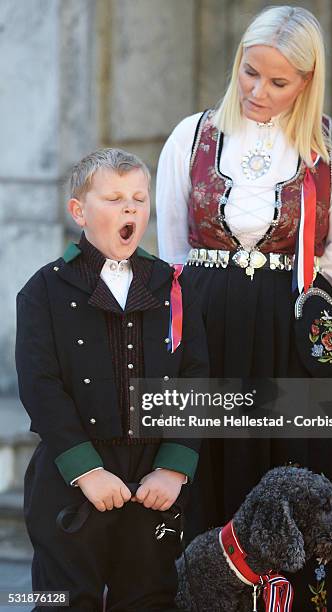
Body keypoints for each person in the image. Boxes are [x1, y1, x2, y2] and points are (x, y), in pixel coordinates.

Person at [156, 5, 332, 610]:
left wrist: (303, 336)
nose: (258, 90)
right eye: (250, 73)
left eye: (279, 82)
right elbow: (174, 249)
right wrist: (202, 319)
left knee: (295, 484)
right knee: (208, 476)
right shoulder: (190, 136)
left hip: (291, 341)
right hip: (209, 330)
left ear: (307, 80)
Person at [16, 148, 208, 611]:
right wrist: (87, 469)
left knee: (150, 597)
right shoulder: (44, 289)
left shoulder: (172, 285)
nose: (130, 209)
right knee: (63, 599)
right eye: (115, 198)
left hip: (153, 482)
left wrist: (174, 466)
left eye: (140, 199)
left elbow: (195, 376)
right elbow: (40, 386)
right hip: (72, 476)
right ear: (79, 211)